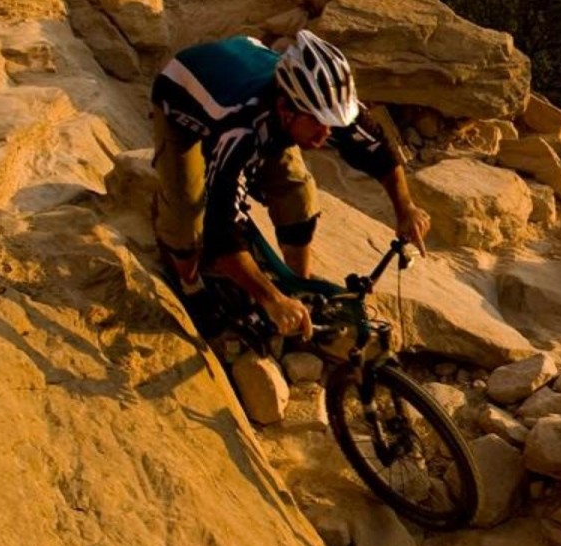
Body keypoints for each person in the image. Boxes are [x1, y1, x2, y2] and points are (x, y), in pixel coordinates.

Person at [150, 29, 430, 338]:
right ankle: (190, 284)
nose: (326, 134)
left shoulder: (324, 103)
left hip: (248, 71)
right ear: (285, 109)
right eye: (318, 123)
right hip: (181, 96)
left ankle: (299, 285)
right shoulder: (240, 128)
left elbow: (378, 150)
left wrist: (405, 207)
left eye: (332, 123)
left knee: (298, 193)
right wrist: (271, 300)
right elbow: (221, 232)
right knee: (187, 214)